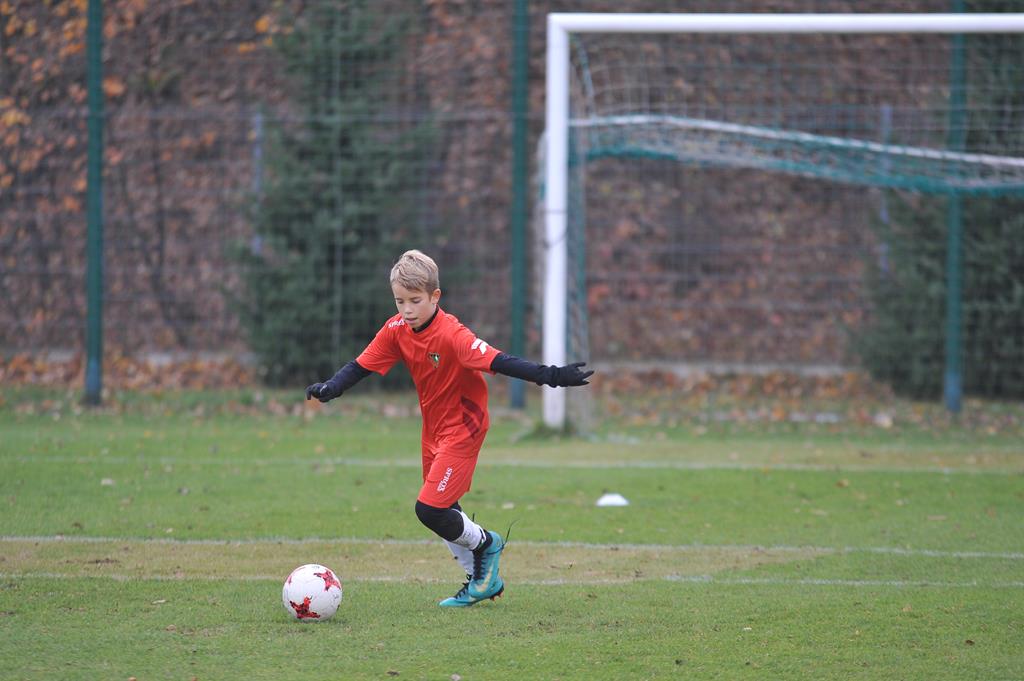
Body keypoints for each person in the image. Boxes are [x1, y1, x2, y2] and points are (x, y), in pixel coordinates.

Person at [306, 249, 593, 607]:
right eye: (399, 301)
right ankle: (480, 582)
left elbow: (501, 361)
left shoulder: (452, 335)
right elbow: (361, 365)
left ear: (435, 296)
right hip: (433, 430)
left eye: (415, 301)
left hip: (463, 428)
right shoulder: (396, 329)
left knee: (429, 509)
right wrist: (331, 388)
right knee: (446, 507)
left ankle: (488, 544)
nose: (407, 310)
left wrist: (552, 376)